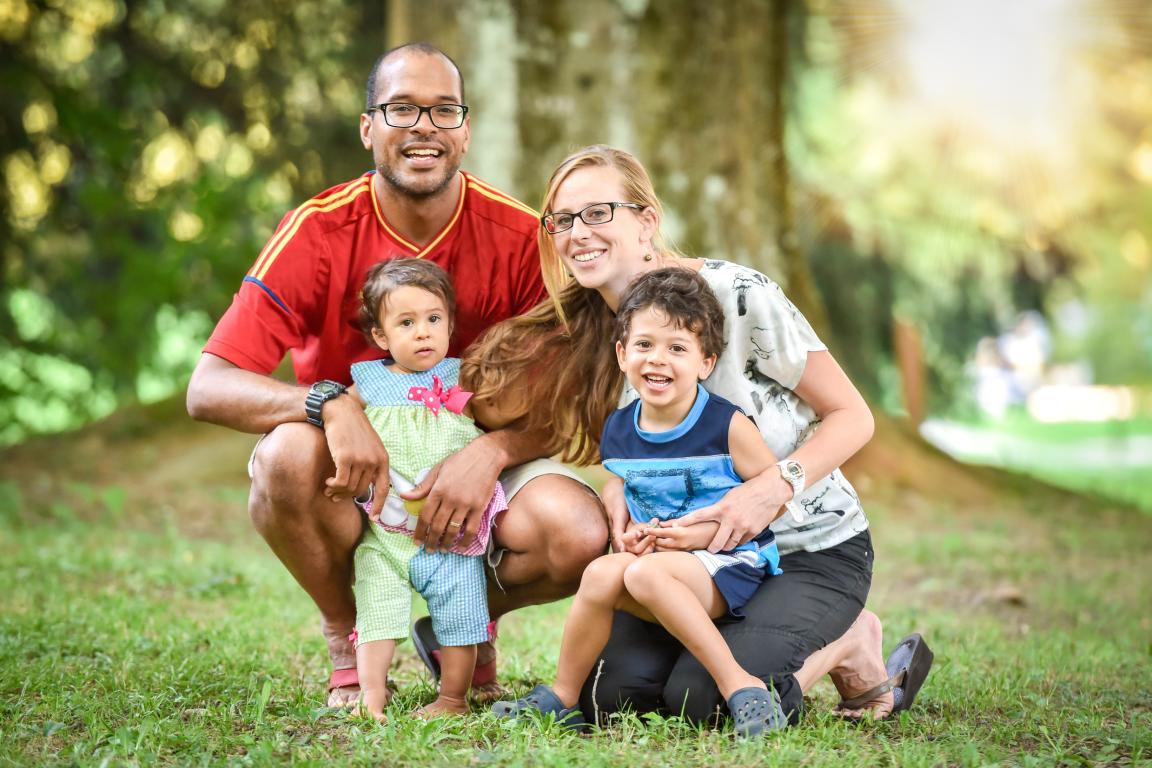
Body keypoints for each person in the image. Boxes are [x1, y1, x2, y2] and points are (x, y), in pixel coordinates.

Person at [185, 44, 607, 708]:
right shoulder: (319, 231)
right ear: (368, 128)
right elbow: (208, 385)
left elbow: (570, 392)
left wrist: (491, 450)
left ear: (465, 131)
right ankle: (347, 635)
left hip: (482, 463)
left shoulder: (524, 238)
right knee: (285, 459)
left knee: (578, 533)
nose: (424, 128)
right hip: (358, 463)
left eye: (444, 111)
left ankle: (456, 619)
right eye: (402, 109)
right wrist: (331, 405)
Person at [463, 145, 934, 728]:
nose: (577, 233)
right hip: (687, 563)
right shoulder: (602, 338)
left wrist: (772, 488)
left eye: (598, 213)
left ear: (647, 222)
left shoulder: (736, 296)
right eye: (562, 220)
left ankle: (849, 641)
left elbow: (853, 416)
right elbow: (633, 444)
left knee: (703, 702)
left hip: (803, 550)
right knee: (612, 700)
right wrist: (617, 491)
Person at [493, 268, 790, 737]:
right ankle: (563, 697)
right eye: (645, 345)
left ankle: (740, 685)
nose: (658, 360)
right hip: (661, 563)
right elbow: (631, 491)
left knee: (644, 572)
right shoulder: (618, 429)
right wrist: (633, 528)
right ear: (622, 353)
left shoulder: (726, 426)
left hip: (729, 561)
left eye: (677, 348)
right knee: (601, 572)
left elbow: (771, 497)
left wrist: (700, 535)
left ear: (705, 362)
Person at [348, 259, 505, 721]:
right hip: (387, 532)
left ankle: (453, 699)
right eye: (407, 322)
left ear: (450, 325)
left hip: (452, 531)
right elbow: (341, 421)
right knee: (377, 607)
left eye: (434, 320)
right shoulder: (369, 382)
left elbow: (502, 422)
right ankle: (370, 697)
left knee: (461, 613)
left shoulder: (465, 375)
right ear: (381, 336)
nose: (423, 333)